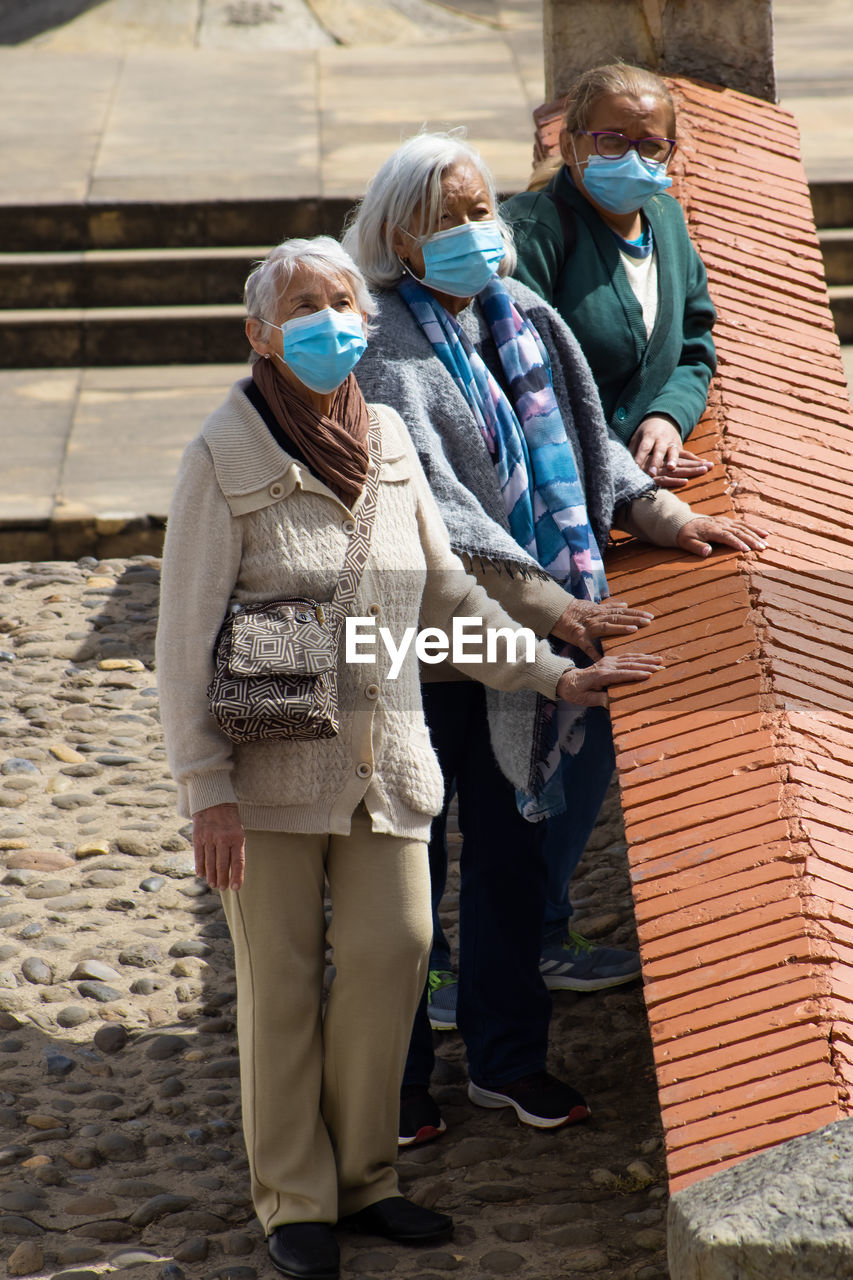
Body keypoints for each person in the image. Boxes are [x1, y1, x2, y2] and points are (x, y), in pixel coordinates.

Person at [155, 236, 664, 1280]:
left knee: (394, 957)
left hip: (388, 757)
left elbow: (445, 600)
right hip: (268, 772)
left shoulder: (387, 433)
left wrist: (548, 672)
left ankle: (366, 1179)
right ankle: (294, 1195)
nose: (333, 318)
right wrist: (207, 793)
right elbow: (181, 640)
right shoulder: (223, 453)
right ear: (259, 334)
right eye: (306, 304)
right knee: (283, 983)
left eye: (344, 299)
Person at [343, 132, 767, 1148]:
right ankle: (397, 1079)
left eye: (484, 208)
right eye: (452, 217)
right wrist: (551, 607)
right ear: (403, 235)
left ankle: (506, 1057)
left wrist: (668, 519)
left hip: (523, 651)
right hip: (423, 642)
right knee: (401, 873)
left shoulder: (523, 315)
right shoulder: (385, 352)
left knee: (508, 855)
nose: (478, 232)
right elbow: (444, 512)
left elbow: (593, 452)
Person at [502, 63, 716, 493]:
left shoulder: (666, 220)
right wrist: (620, 474)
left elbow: (695, 348)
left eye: (651, 146)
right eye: (612, 142)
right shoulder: (534, 230)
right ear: (568, 143)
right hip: (564, 486)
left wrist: (667, 417)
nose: (633, 159)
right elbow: (524, 380)